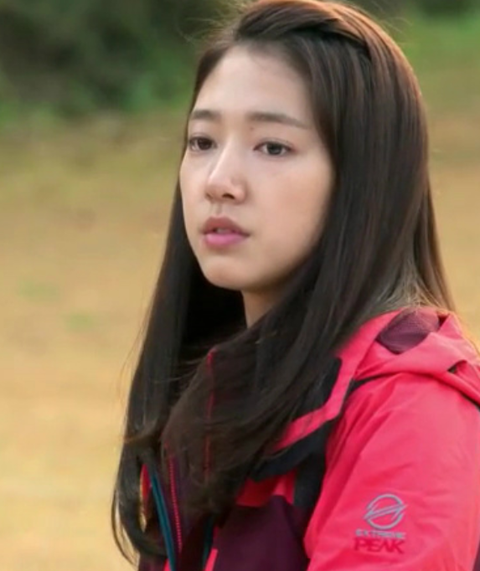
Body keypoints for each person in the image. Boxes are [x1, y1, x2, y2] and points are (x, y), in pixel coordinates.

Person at [112, 1, 480, 569]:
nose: (219, 181)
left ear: (363, 179)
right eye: (202, 141)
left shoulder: (409, 409)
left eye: (273, 147)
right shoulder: (218, 394)